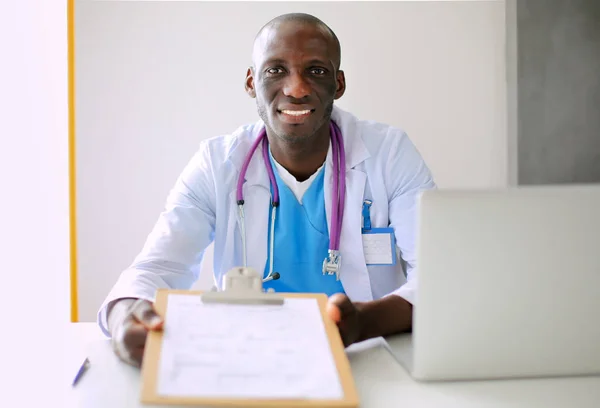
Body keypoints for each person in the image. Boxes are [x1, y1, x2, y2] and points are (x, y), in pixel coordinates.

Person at [100, 12, 436, 367]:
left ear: (338, 84)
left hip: (366, 355)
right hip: (247, 358)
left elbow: (437, 278)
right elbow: (156, 267)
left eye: (316, 71)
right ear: (250, 82)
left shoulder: (388, 154)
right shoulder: (218, 163)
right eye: (276, 70)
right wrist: (124, 311)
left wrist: (363, 323)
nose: (296, 88)